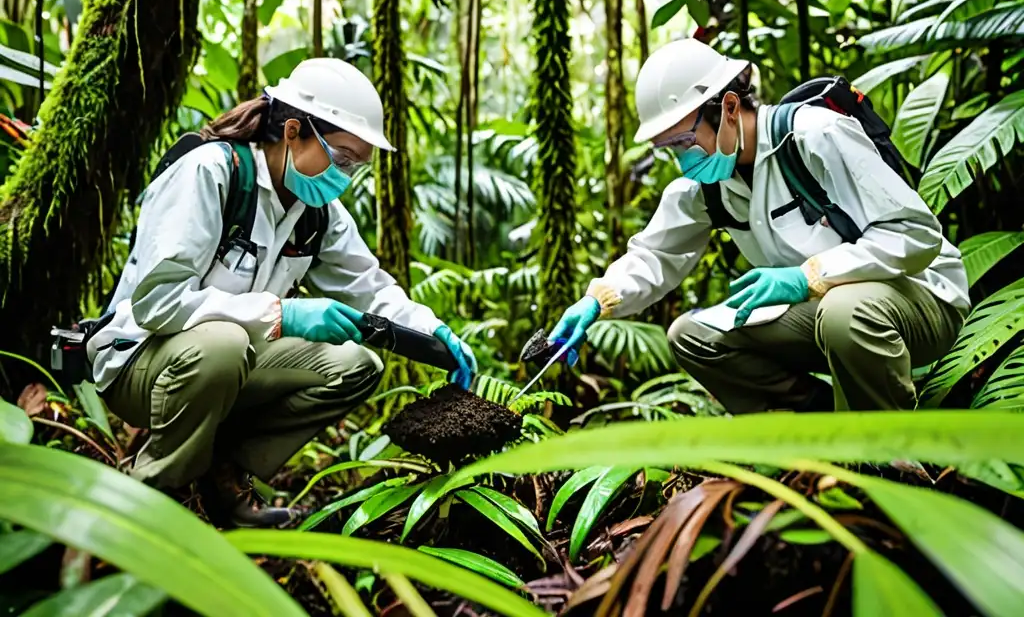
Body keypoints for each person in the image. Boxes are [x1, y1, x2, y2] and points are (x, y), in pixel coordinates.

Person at [88, 58, 477, 527]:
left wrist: (434, 331)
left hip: (229, 362)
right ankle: (151, 501)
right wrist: (282, 314)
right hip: (139, 359)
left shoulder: (317, 211)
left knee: (357, 364)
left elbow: (369, 287)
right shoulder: (211, 172)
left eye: (356, 166)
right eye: (341, 158)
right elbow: (158, 303)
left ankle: (223, 475)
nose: (345, 176)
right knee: (223, 346)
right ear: (293, 131)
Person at [549, 39, 969, 414]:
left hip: (921, 299)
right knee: (692, 335)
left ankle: (886, 454)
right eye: (668, 150)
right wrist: (597, 301)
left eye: (684, 142)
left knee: (843, 311)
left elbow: (915, 233)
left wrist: (809, 276)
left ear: (729, 107)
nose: (682, 160)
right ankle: (814, 431)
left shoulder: (814, 135)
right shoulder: (709, 184)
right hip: (830, 317)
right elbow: (654, 255)